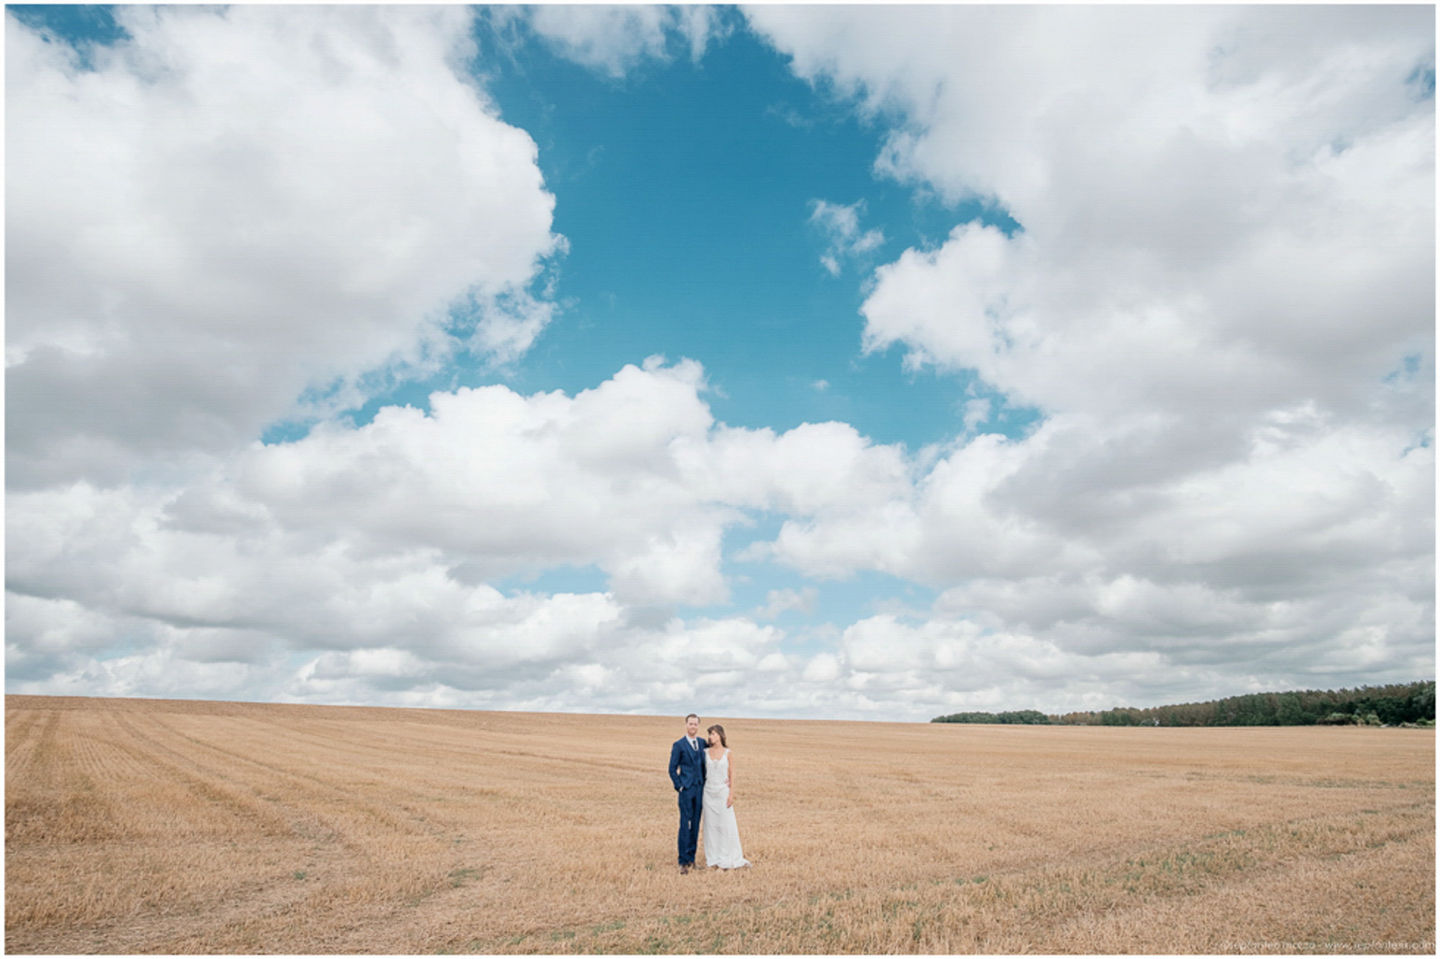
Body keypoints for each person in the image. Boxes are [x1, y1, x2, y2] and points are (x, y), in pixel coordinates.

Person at [701, 723, 749, 869]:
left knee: (726, 825)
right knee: (710, 825)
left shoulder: (728, 753)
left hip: (723, 792)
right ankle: (713, 857)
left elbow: (732, 774)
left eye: (713, 734)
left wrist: (731, 794)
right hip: (708, 792)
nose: (710, 737)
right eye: (709, 734)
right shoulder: (704, 752)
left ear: (721, 735)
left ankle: (729, 856)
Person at [668, 713, 709, 873]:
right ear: (686, 725)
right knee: (685, 824)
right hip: (686, 790)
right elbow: (672, 768)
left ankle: (692, 859)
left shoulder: (702, 743)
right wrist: (679, 786)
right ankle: (683, 861)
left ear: (698, 726)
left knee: (696, 824)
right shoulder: (678, 745)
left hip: (700, 789)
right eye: (690, 724)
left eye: (695, 724)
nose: (693, 726)